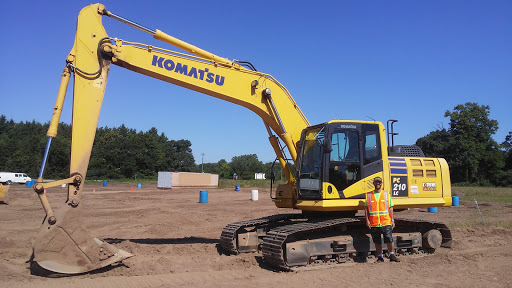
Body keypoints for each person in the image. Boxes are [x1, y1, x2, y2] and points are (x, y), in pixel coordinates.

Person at [365, 176, 400, 262]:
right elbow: (366, 209)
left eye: (379, 182)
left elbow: (390, 208)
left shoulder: (386, 194)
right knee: (377, 241)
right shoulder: (369, 195)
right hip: (374, 223)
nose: (378, 184)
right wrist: (367, 220)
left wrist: (392, 220)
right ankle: (380, 257)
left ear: (381, 184)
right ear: (373, 183)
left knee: (389, 239)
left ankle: (392, 255)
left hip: (386, 222)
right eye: (376, 182)